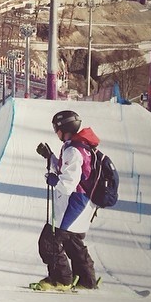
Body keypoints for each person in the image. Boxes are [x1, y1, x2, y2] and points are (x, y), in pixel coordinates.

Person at [35, 110, 99, 290]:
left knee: (49, 241)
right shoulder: (80, 146)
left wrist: (54, 180)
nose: (55, 132)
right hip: (84, 202)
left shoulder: (73, 150)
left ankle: (61, 280)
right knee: (72, 240)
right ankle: (86, 280)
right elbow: (68, 171)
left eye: (56, 129)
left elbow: (68, 183)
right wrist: (50, 157)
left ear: (64, 128)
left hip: (74, 202)